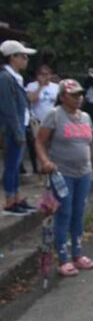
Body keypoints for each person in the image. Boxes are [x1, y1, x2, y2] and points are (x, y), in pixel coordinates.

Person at [35, 79, 93, 276]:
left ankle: (78, 253)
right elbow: (39, 142)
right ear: (63, 96)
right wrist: (45, 162)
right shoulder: (54, 115)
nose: (78, 98)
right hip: (62, 174)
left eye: (80, 94)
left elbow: (90, 146)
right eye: (73, 95)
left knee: (79, 213)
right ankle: (63, 258)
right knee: (63, 213)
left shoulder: (85, 117)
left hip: (84, 174)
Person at [0, 40, 36, 215]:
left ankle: (16, 198)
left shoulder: (16, 77)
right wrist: (17, 131)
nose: (26, 59)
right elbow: (8, 109)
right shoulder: (5, 78)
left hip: (22, 125)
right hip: (12, 129)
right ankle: (9, 200)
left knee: (16, 165)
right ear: (12, 57)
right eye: (23, 56)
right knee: (11, 165)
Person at [26, 65, 60, 174]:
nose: (46, 77)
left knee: (52, 144)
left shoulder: (56, 87)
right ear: (38, 76)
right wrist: (40, 86)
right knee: (39, 143)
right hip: (37, 120)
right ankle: (40, 167)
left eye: (47, 74)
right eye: (43, 75)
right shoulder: (32, 86)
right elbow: (31, 99)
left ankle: (51, 165)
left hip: (52, 119)